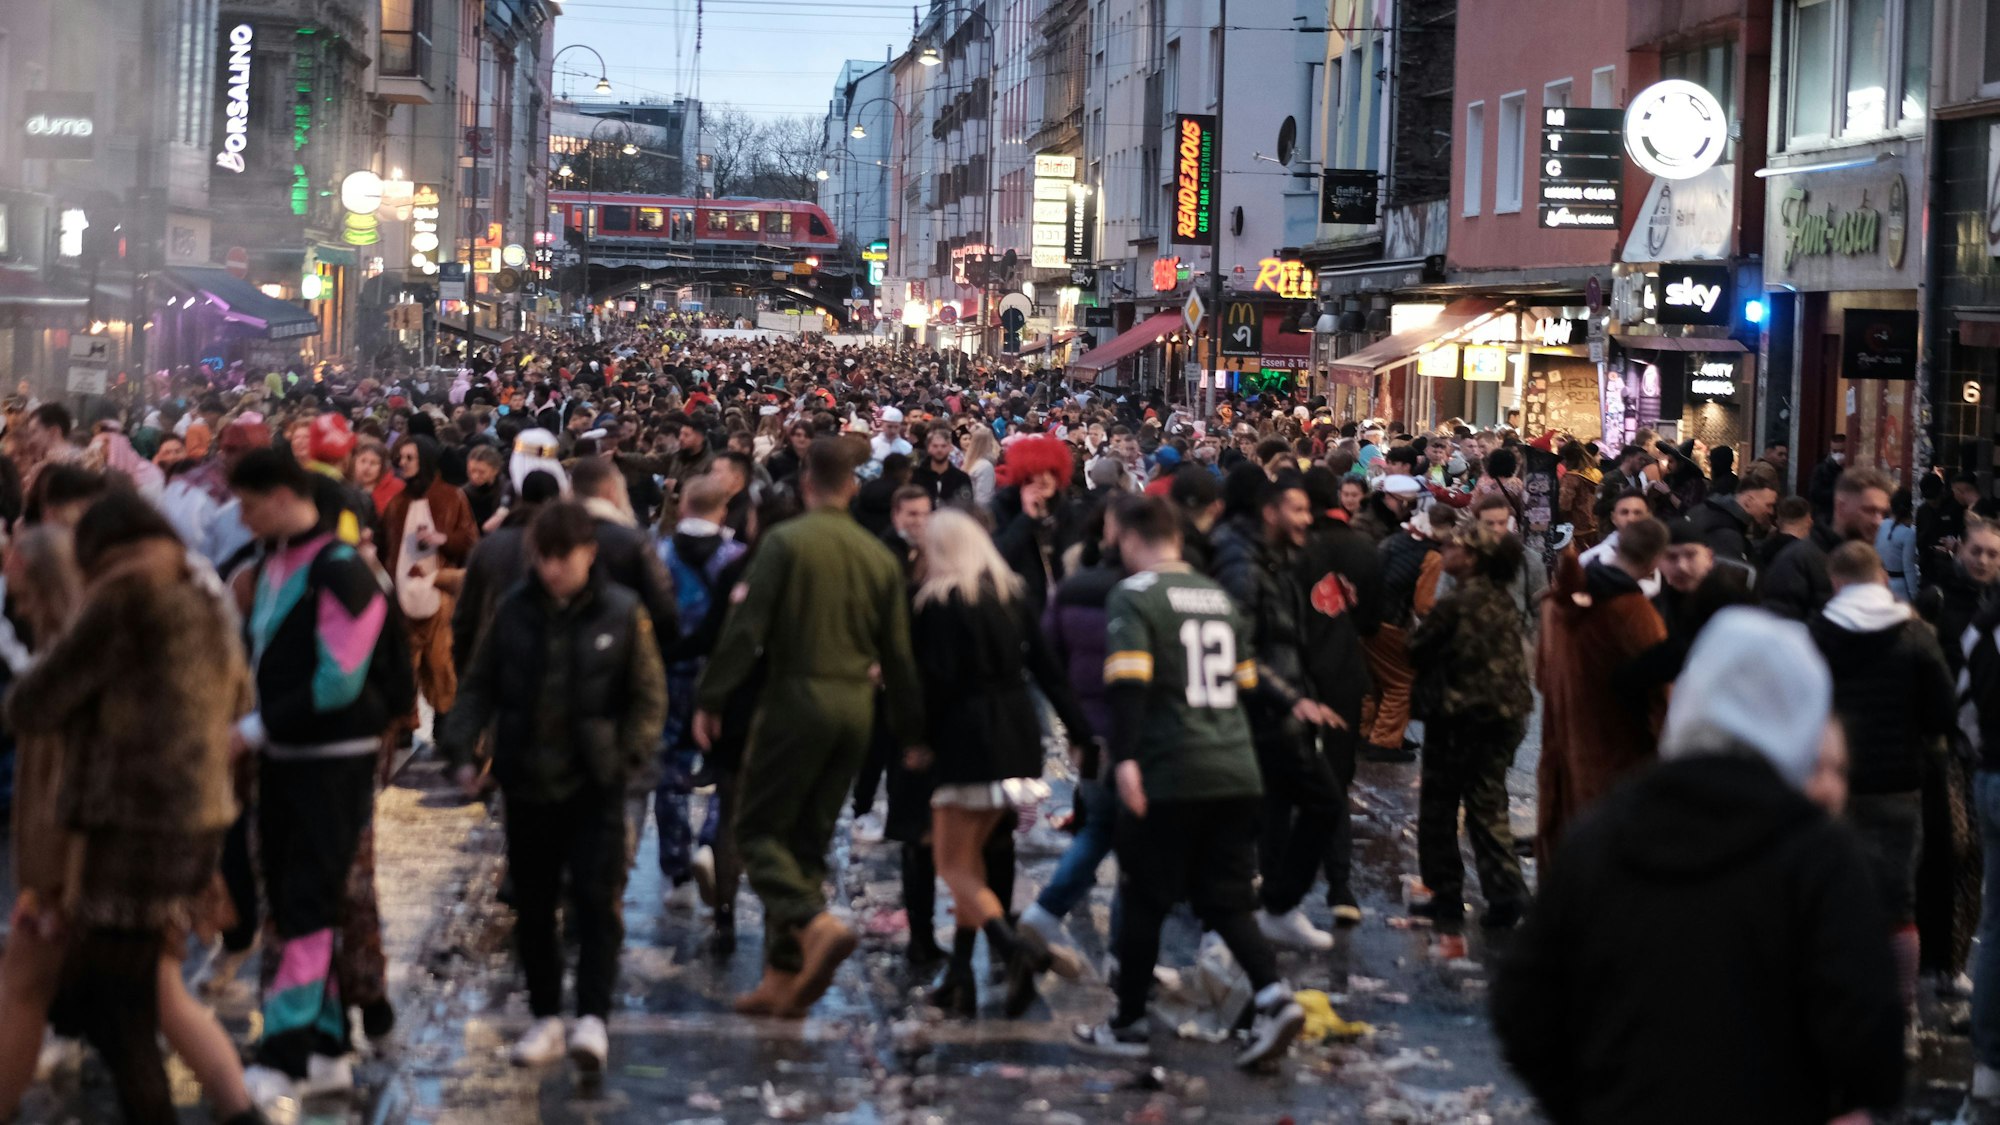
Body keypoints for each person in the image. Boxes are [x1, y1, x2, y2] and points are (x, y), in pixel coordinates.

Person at [1496, 607, 1905, 1124]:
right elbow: (1870, 1034)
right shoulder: (1816, 853)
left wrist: (1586, 1100)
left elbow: (1523, 1004)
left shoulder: (1602, 835)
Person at [0, 510, 260, 1125]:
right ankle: (242, 1114)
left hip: (129, 832)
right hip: (193, 822)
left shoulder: (122, 594)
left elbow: (35, 706)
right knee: (143, 994)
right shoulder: (195, 592)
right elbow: (241, 698)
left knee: (116, 1004)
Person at [1072, 495, 1305, 1067]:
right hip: (1234, 766)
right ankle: (1274, 995)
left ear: (1129, 537)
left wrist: (1123, 759)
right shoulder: (1218, 596)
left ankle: (1126, 1023)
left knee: (1144, 895)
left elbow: (1129, 683)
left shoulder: (1134, 596)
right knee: (1225, 898)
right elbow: (1249, 682)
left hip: (1170, 766)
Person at [694, 439, 923, 1019]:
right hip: (857, 709)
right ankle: (783, 974)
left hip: (796, 699)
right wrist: (913, 732)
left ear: (804, 486)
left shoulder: (785, 542)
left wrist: (712, 696)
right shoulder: (877, 556)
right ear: (852, 486)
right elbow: (899, 652)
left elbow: (747, 630)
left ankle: (813, 923)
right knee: (810, 839)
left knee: (755, 831)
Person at [442, 502, 666, 1075]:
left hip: (596, 781)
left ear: (588, 553)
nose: (551, 570)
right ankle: (545, 1015)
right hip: (526, 779)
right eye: (542, 559)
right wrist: (460, 747)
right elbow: (479, 685)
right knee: (535, 905)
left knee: (596, 901)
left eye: (561, 559)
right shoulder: (515, 611)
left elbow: (648, 696)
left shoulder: (622, 612)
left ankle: (593, 1016)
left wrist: (626, 755)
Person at [231, 449, 413, 1108]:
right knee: (296, 898)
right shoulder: (274, 563)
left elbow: (339, 678)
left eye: (249, 504)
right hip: (286, 758)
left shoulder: (342, 572)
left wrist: (256, 727)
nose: (242, 518)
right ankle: (327, 1048)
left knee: (305, 902)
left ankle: (284, 1050)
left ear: (281, 494)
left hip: (332, 759)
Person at [908, 509, 1094, 1016]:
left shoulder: (937, 603)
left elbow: (935, 683)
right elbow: (1050, 671)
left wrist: (916, 739)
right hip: (1018, 736)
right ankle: (961, 975)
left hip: (965, 737)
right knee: (976, 858)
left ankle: (1017, 950)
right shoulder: (1014, 594)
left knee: (951, 864)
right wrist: (1079, 732)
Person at [1809, 541, 1956, 1046]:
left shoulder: (1818, 634)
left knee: (1832, 895)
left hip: (1834, 781)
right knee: (1898, 901)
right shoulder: (1914, 633)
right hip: (1898, 780)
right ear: (1879, 579)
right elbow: (1942, 711)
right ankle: (1903, 1018)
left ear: (1836, 583)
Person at [1209, 472, 1346, 951]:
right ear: (1270, 512)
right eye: (1298, 510)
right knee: (1317, 802)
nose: (1307, 519)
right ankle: (1267, 910)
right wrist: (1291, 699)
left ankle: (1261, 912)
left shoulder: (1270, 558)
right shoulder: (1243, 564)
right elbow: (1236, 647)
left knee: (1268, 814)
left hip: (1276, 711)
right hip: (1265, 714)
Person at [1408, 522, 1533, 956]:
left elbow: (1416, 649)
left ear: (1473, 558)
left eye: (1453, 546)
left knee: (1440, 805)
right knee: (1487, 803)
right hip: (1505, 716)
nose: (1446, 551)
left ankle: (1446, 895)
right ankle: (1506, 894)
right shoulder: (1500, 598)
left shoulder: (1456, 604)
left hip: (1459, 718)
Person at [1535, 516, 1670, 856]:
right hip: (1616, 754)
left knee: (1565, 848)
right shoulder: (1635, 613)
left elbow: (1540, 674)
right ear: (1656, 561)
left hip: (1560, 747)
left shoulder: (1556, 603)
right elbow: (1661, 695)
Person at [656, 475, 750, 920]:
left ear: (683, 506)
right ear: (723, 511)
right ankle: (713, 843)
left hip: (671, 670)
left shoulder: (661, 554)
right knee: (725, 766)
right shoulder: (737, 557)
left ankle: (675, 870)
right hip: (724, 676)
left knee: (672, 767)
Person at [380, 435, 477, 737]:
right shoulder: (396, 503)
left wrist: (443, 540)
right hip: (402, 595)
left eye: (410, 458)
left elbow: (471, 541)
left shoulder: (451, 497)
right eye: (401, 458)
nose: (403, 464)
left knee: (440, 662)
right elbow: (388, 548)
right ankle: (406, 723)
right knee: (404, 665)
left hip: (439, 594)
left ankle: (444, 719)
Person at [1763, 467, 1892, 622]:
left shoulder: (1874, 563)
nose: (1878, 521)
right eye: (1869, 510)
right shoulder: (1797, 561)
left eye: (1883, 513)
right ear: (1841, 506)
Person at [1687, 463, 1778, 569]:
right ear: (1748, 501)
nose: (1771, 511)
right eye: (1769, 505)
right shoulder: (1726, 530)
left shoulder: (1711, 511)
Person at [1578, 490, 1662, 597]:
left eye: (1638, 513)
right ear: (1614, 518)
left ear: (1649, 517)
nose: (1631, 519)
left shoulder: (1660, 556)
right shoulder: (1590, 559)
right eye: (1624, 512)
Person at [910, 426, 973, 508]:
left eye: (943, 446)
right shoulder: (916, 476)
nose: (939, 450)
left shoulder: (961, 478)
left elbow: (966, 507)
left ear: (950, 448)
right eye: (935, 446)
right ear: (928, 448)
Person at [1877, 487, 1920, 602]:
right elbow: (1909, 568)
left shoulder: (1881, 525)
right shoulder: (1908, 534)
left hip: (1879, 582)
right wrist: (1914, 595)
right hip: (1899, 588)